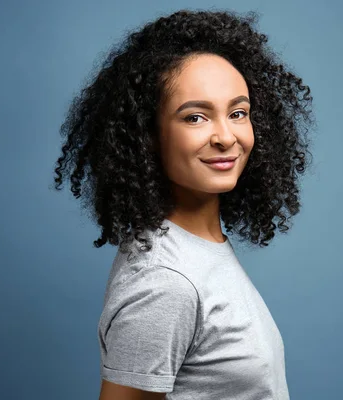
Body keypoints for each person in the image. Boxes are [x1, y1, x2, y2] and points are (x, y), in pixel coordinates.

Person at [53, 8, 314, 400]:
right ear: (147, 135)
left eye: (238, 113)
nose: (226, 136)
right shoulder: (165, 282)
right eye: (195, 118)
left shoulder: (199, 250)